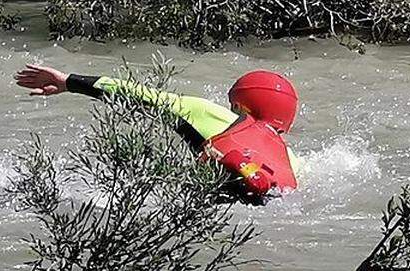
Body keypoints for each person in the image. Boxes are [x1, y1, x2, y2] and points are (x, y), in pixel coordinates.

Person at [16, 64, 298, 204]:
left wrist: (70, 82)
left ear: (238, 103)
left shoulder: (218, 116)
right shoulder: (293, 162)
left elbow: (141, 96)